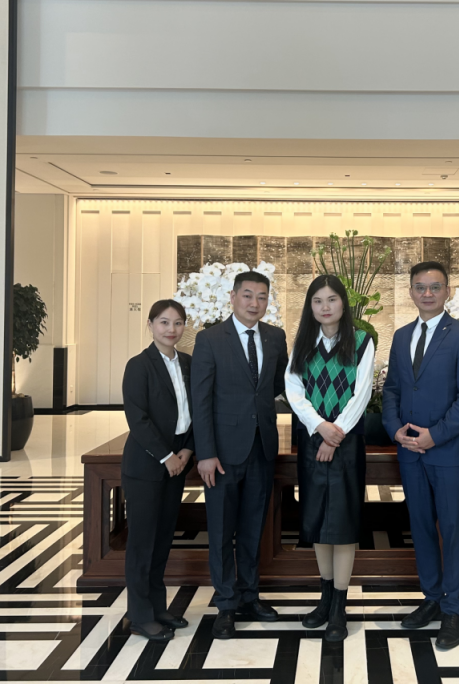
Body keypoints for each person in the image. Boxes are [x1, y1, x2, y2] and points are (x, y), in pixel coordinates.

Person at [382, 261, 459, 651]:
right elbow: (392, 389)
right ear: (410, 291)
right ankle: (431, 598)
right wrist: (395, 429)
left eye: (435, 287)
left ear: (447, 291)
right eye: (420, 287)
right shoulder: (401, 335)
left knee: (453, 530)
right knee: (420, 526)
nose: (427, 293)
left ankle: (453, 608)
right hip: (409, 451)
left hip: (448, 451)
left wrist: (434, 436)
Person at [191, 270, 290, 640]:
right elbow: (200, 399)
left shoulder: (275, 337)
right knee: (221, 530)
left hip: (262, 448)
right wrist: (205, 453)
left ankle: (250, 596)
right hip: (222, 454)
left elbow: (279, 385)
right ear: (232, 297)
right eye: (247, 295)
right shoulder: (209, 339)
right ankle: (225, 604)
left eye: (262, 297)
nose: (254, 303)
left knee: (253, 528)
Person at [285, 275, 375, 642]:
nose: (325, 307)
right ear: (310, 306)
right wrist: (319, 427)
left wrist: (334, 434)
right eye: (318, 301)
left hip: (347, 443)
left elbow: (362, 392)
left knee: (343, 523)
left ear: (343, 303)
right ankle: (324, 599)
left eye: (332, 299)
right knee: (317, 520)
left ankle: (339, 605)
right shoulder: (302, 343)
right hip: (312, 440)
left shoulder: (362, 341)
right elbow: (294, 390)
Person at [121, 299, 196, 641]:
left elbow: (198, 410)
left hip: (178, 462)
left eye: (178, 322)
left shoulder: (189, 364)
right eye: (164, 322)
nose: (171, 329)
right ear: (150, 325)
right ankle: (140, 616)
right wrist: (167, 456)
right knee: (142, 543)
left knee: (163, 539)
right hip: (147, 465)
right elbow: (137, 419)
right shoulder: (139, 366)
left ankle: (157, 607)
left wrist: (186, 451)